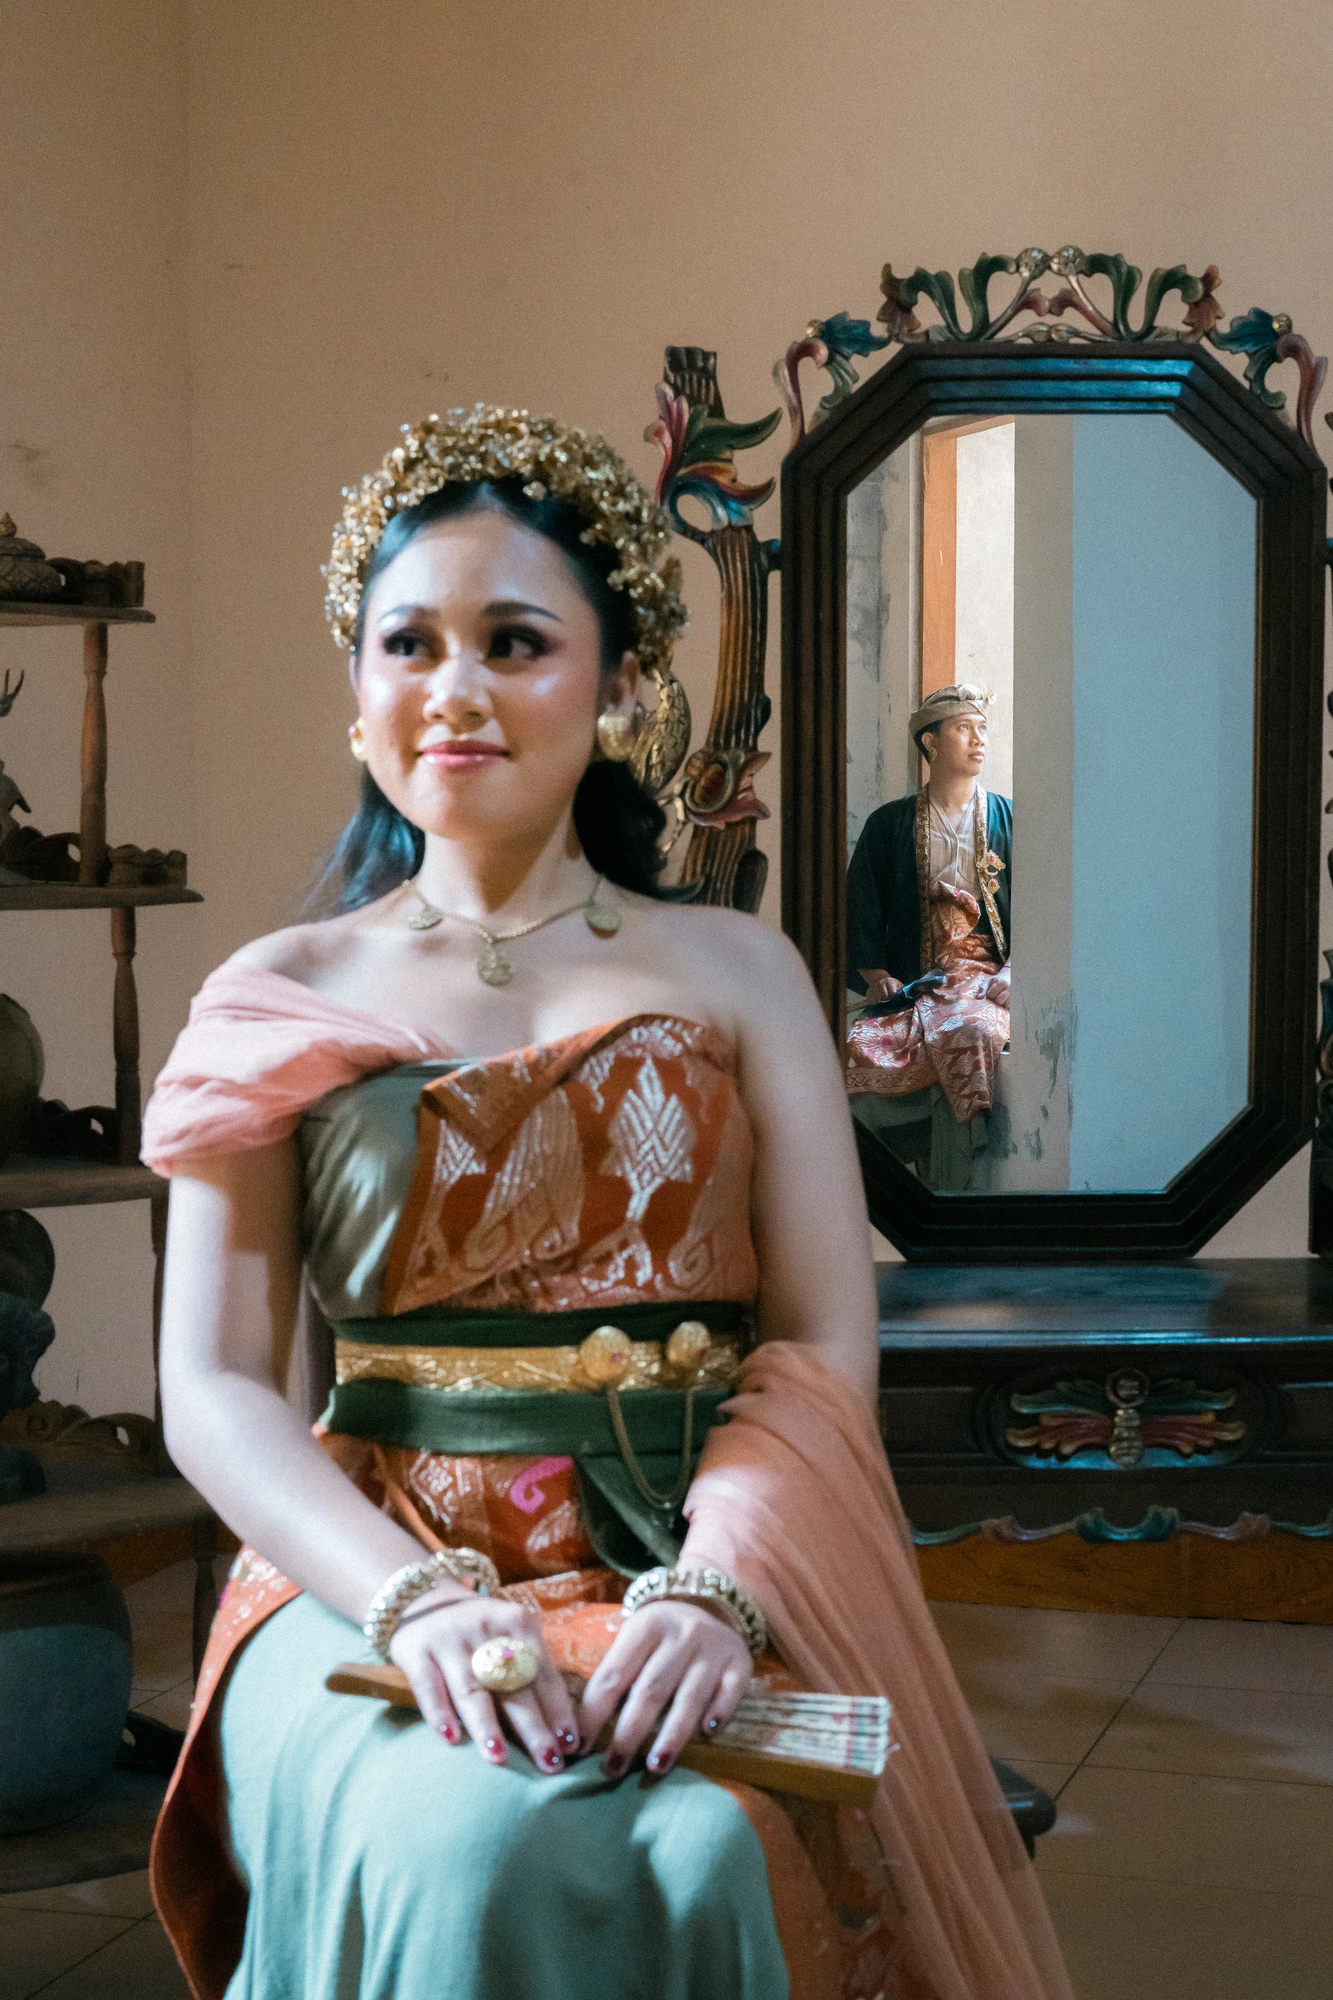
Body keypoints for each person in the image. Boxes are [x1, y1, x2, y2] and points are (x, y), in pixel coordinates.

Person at [144, 408, 1071, 2000]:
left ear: (622, 683)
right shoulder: (275, 991)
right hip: (371, 1567)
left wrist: (718, 1590)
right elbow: (216, 1385)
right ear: (357, 686)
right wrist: (413, 1602)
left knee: (708, 1851)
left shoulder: (736, 969)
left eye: (516, 643)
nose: (455, 690)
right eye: (408, 644)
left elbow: (818, 1337)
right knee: (472, 1846)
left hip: (683, 1563)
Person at [845, 687, 1012, 1188]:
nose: (979, 740)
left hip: (984, 983)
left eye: (982, 729)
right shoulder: (888, 824)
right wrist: (876, 975)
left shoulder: (1010, 819)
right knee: (860, 1044)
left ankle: (947, 1195)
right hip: (917, 984)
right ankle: (920, 1186)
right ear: (931, 742)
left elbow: (1044, 909)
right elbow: (861, 906)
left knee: (968, 1033)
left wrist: (1014, 972)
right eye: (964, 728)